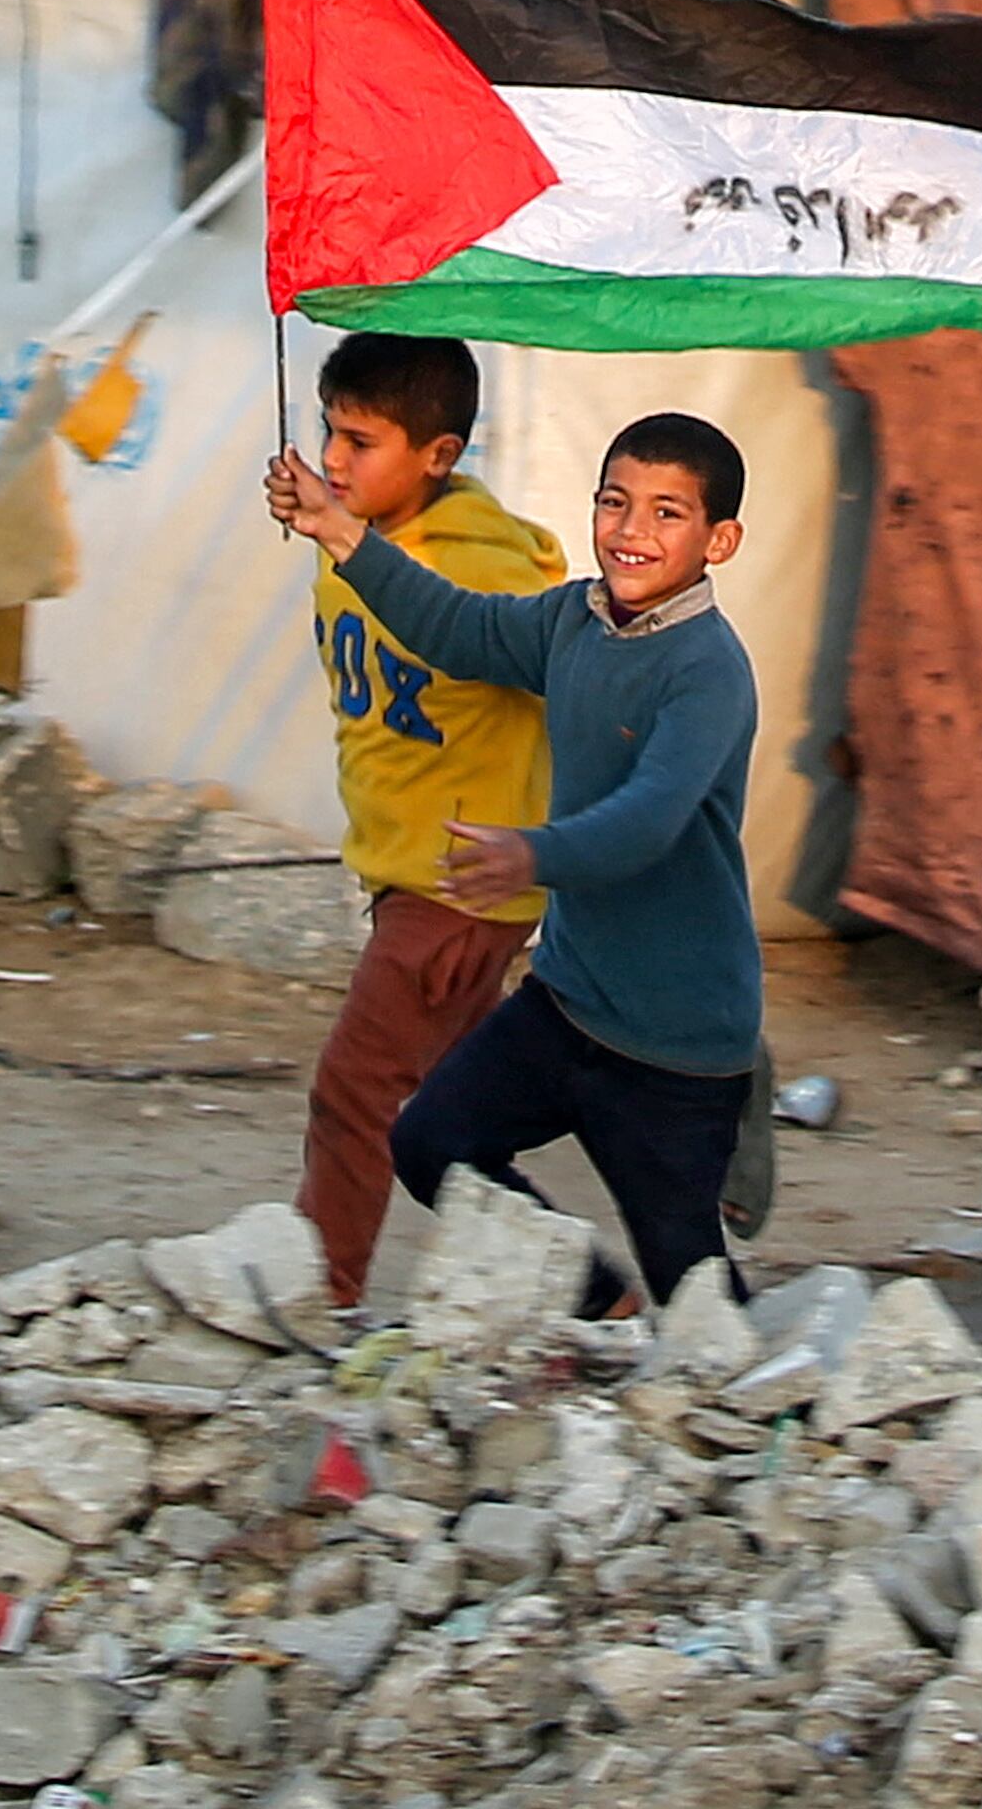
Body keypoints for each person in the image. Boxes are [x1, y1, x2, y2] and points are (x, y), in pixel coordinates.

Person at [267, 408, 761, 1315]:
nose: (630, 532)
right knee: (431, 1144)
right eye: (615, 503)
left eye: (666, 513)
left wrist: (529, 852)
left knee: (696, 1293)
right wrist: (339, 529)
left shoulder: (708, 671)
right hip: (568, 1003)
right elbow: (459, 629)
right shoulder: (573, 621)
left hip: (674, 1038)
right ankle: (595, 1307)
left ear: (718, 540)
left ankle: (775, 1428)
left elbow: (646, 822)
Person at [289, 335, 569, 1307]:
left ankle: (319, 1299)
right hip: (404, 877)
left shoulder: (489, 572)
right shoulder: (348, 543)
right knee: (452, 1132)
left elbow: (538, 664)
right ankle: (590, 1297)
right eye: (330, 430)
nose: (332, 458)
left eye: (361, 440)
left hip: (455, 889)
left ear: (438, 456)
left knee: (355, 1093)